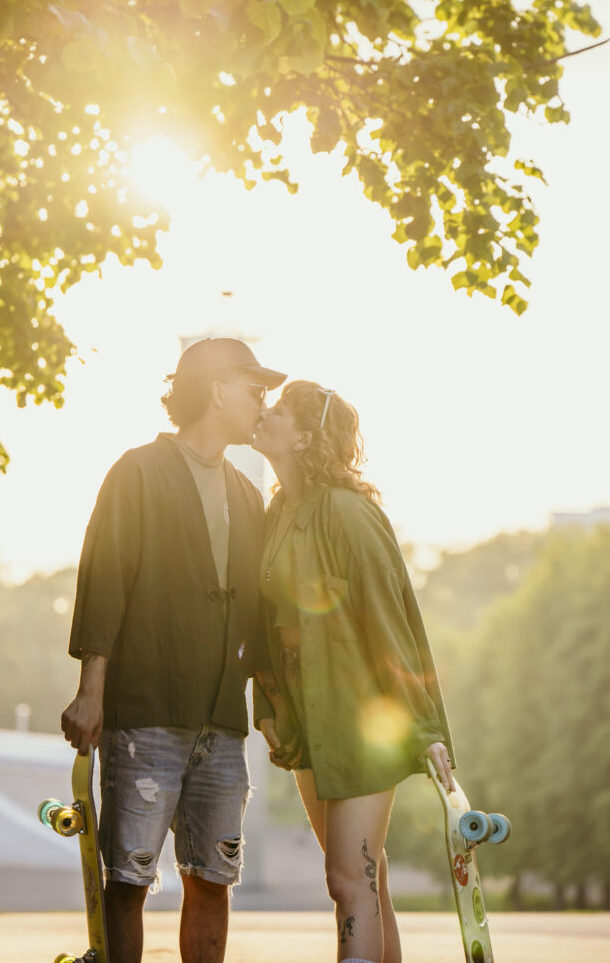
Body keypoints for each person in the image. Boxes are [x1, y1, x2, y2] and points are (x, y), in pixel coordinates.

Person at [60, 338, 286, 963]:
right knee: (128, 882)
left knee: (214, 882)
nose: (261, 404)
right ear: (217, 389)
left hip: (222, 722)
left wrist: (268, 711)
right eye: (253, 389)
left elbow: (258, 616)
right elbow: (105, 581)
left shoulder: (246, 493)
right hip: (145, 716)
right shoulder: (136, 472)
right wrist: (90, 693)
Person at [252, 380, 456, 963]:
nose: (264, 412)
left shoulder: (349, 511)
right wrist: (269, 709)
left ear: (305, 436)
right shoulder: (275, 513)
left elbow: (391, 621)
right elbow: (262, 626)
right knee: (366, 879)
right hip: (309, 718)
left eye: (280, 410)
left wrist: (423, 728)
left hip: (363, 717)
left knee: (348, 880)